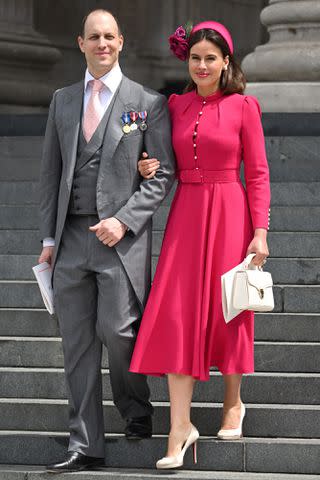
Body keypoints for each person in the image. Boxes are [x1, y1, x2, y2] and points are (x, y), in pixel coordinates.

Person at [38, 9, 175, 473]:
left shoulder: (148, 102)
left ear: (122, 41)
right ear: (80, 43)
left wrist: (125, 219)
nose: (102, 44)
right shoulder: (61, 99)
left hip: (120, 239)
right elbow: (50, 174)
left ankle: (136, 410)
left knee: (118, 332)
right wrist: (48, 239)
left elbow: (163, 176)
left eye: (109, 36)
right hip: (71, 237)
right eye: (93, 37)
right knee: (75, 343)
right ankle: (84, 444)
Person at [130, 21, 270, 469]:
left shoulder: (244, 106)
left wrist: (261, 231)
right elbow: (161, 159)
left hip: (231, 212)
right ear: (186, 62)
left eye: (211, 58)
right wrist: (148, 164)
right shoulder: (173, 105)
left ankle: (233, 402)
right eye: (196, 58)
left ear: (226, 61)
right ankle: (180, 427)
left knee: (228, 308)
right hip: (187, 213)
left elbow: (259, 174)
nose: (203, 65)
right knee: (177, 313)